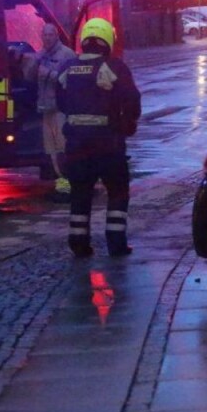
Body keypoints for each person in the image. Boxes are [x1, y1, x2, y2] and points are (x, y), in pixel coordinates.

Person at [56, 18, 141, 257]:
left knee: (80, 194)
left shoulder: (66, 68)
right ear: (108, 40)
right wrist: (128, 124)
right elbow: (133, 100)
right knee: (117, 191)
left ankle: (78, 244)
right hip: (109, 145)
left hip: (75, 146)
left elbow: (60, 102)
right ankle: (116, 243)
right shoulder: (115, 67)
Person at [25, 23, 76, 200]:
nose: (47, 38)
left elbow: (71, 80)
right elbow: (29, 76)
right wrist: (35, 61)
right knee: (52, 149)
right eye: (44, 35)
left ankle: (71, 183)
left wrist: (48, 74)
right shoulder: (41, 54)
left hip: (61, 109)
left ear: (57, 36)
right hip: (46, 108)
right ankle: (61, 184)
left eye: (50, 35)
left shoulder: (67, 54)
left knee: (63, 147)